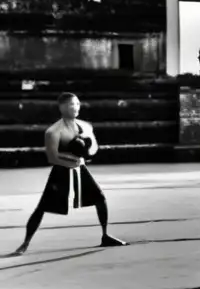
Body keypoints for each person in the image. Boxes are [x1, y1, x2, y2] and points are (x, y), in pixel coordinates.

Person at [13, 92, 126, 255]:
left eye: (77, 104)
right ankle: (25, 243)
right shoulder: (53, 131)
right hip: (61, 171)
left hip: (80, 168)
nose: (75, 108)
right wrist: (71, 160)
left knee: (100, 198)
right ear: (61, 108)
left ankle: (105, 235)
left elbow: (94, 149)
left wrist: (86, 145)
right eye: (71, 105)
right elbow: (52, 157)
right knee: (42, 207)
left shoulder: (86, 127)